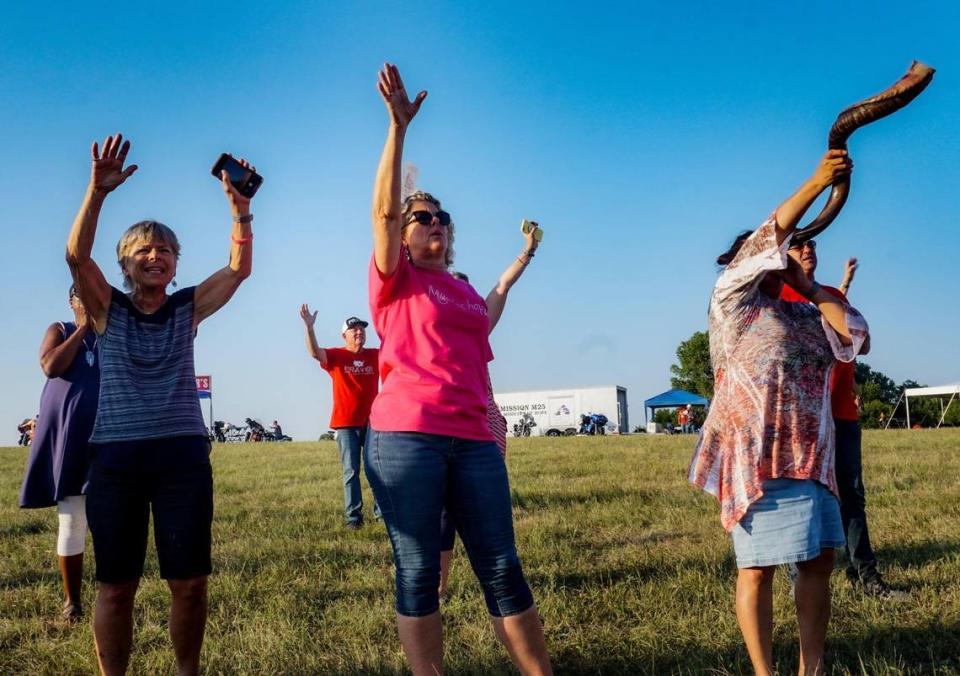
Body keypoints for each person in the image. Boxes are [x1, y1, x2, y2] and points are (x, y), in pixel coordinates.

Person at [366, 63, 552, 675]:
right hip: (407, 437)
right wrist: (397, 130)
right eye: (423, 218)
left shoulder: (464, 293)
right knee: (419, 571)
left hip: (474, 438)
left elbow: (493, 303)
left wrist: (522, 259)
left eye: (441, 216)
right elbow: (384, 217)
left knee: (501, 565)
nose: (435, 223)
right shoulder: (396, 279)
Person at [65, 134, 255, 675]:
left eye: (166, 250)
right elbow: (76, 255)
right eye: (145, 250)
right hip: (117, 463)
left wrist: (240, 211)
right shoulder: (108, 308)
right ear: (126, 263)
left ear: (175, 264)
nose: (156, 256)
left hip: (182, 461)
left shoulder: (185, 308)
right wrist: (96, 193)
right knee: (116, 587)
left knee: (190, 584)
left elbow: (238, 269)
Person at [688, 149, 869, 676]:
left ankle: (809, 670)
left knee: (818, 562)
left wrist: (813, 288)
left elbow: (855, 335)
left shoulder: (802, 312)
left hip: (812, 456)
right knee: (758, 568)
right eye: (773, 249)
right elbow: (770, 232)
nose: (781, 253)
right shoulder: (731, 302)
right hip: (757, 460)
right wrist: (817, 181)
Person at [782, 248, 899, 598]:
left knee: (851, 496)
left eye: (813, 244)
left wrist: (834, 298)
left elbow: (864, 344)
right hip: (799, 419)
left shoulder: (831, 296)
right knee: (802, 498)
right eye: (799, 243)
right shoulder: (773, 298)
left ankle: (865, 576)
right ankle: (797, 583)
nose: (807, 249)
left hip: (842, 414)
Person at [438, 227, 540, 597]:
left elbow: (502, 286)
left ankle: (499, 584)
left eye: (466, 291)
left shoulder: (478, 328)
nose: (461, 296)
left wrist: (527, 252)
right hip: (444, 425)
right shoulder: (429, 330)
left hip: (484, 425)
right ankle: (440, 587)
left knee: (487, 510)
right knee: (443, 517)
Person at [19, 287, 101, 622]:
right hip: (70, 438)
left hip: (107, 435)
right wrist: (82, 327)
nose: (90, 304)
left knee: (109, 517)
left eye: (95, 298)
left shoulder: (110, 337)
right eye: (83, 299)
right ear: (72, 303)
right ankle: (72, 602)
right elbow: (51, 366)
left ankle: (112, 594)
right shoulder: (61, 329)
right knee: (72, 519)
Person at [299, 309, 380, 529]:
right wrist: (309, 327)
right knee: (351, 470)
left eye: (362, 328)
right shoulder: (337, 356)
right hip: (345, 423)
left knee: (376, 468)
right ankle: (354, 518)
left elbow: (398, 349)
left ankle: (381, 513)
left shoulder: (375, 355)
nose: (359, 332)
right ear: (344, 335)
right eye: (354, 329)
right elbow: (315, 352)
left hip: (374, 423)